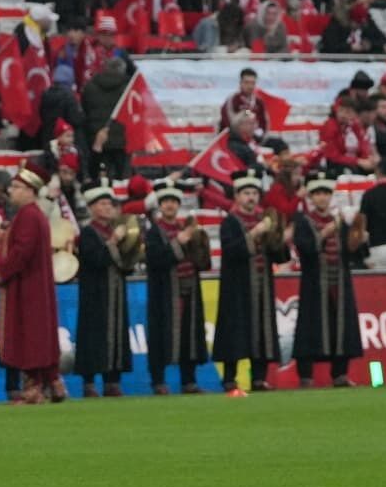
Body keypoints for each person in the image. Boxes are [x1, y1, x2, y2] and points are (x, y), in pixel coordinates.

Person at [214, 169, 291, 395]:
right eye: (246, 193)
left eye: (254, 193)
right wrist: (255, 233)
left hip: (262, 285)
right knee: (234, 331)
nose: (251, 198)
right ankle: (230, 379)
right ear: (237, 196)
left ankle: (259, 378)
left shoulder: (264, 219)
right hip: (237, 287)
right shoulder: (230, 222)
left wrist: (278, 236)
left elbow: (280, 257)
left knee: (262, 331)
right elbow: (231, 251)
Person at [0, 164, 63, 403]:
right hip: (35, 284)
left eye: (16, 187)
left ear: (30, 190)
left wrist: (1, 267)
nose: (11, 191)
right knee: (39, 332)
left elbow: (21, 253)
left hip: (28, 287)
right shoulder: (34, 215)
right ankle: (52, 383)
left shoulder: (28, 216)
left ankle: (34, 387)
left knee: (29, 334)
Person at [292, 170, 367, 388]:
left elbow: (351, 252)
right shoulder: (304, 221)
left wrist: (359, 239)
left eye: (325, 193)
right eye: (317, 193)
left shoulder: (340, 221)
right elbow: (305, 248)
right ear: (311, 197)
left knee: (341, 327)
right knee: (310, 328)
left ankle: (340, 373)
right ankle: (306, 376)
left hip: (339, 283)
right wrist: (324, 233)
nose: (322, 198)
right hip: (315, 284)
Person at [144, 180, 206, 395]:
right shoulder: (154, 232)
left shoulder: (185, 228)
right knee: (160, 335)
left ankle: (189, 380)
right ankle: (158, 381)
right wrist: (178, 243)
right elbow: (154, 260)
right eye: (165, 202)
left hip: (189, 289)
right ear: (160, 206)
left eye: (173, 201)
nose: (170, 205)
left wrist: (199, 243)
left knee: (189, 336)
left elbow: (201, 262)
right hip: (165, 293)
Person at [73, 178, 133, 398]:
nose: (107, 208)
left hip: (116, 291)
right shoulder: (88, 233)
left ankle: (112, 380)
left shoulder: (114, 230)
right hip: (95, 294)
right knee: (92, 335)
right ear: (91, 208)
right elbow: (96, 260)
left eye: (109, 204)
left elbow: (126, 262)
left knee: (116, 333)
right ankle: (89, 383)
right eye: (102, 204)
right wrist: (112, 243)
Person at [218, 67, 268, 139]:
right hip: (234, 139)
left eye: (253, 83)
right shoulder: (233, 100)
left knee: (277, 142)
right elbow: (229, 123)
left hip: (255, 139)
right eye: (246, 82)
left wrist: (259, 134)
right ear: (240, 83)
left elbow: (264, 123)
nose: (250, 86)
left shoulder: (259, 102)